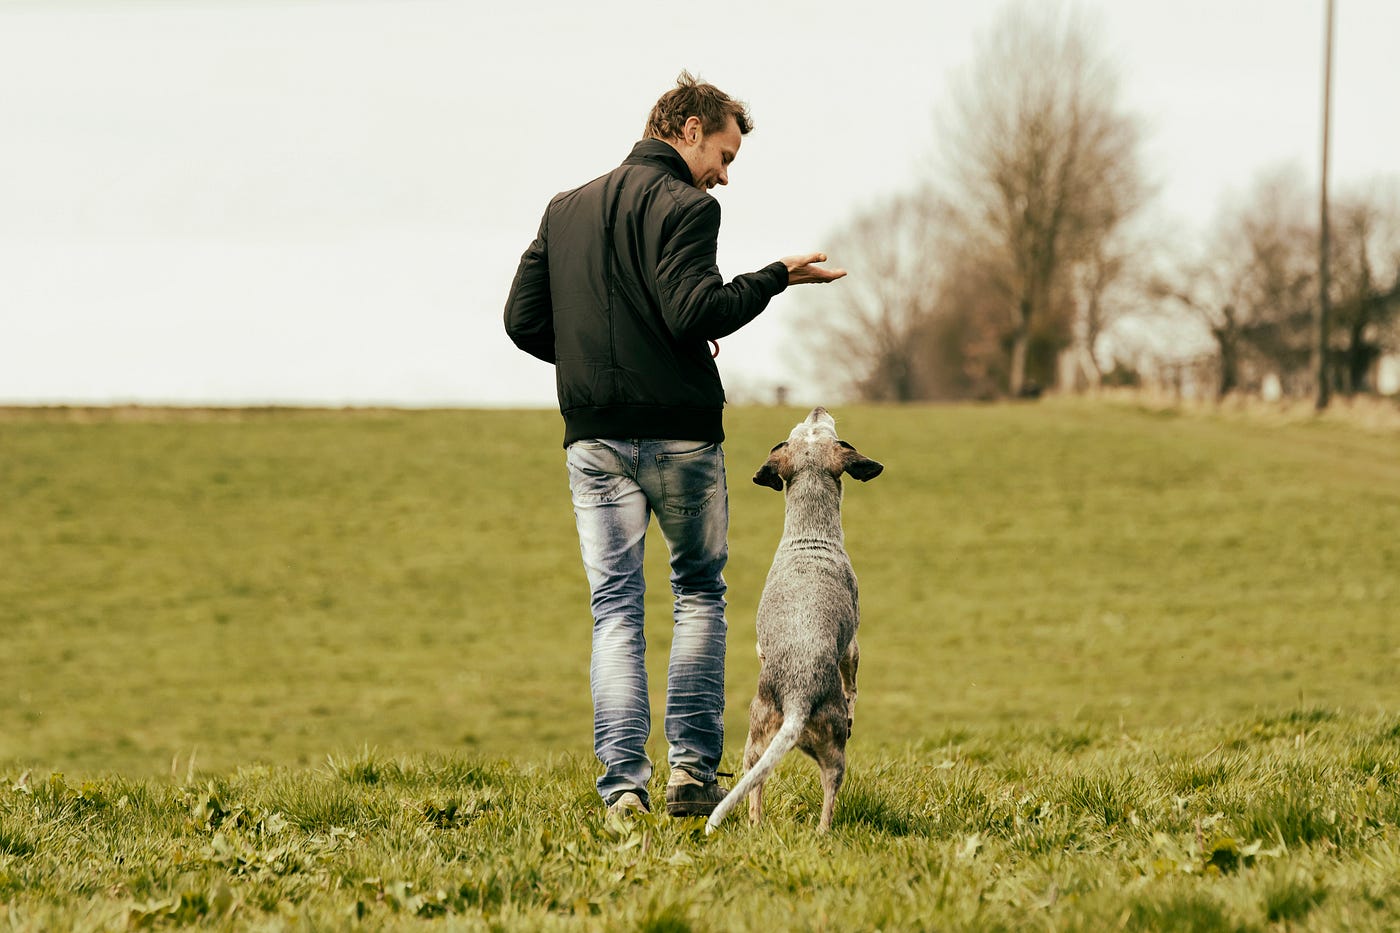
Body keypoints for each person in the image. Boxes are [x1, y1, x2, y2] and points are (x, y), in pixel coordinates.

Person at [503, 71, 845, 818]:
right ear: (687, 128)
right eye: (723, 154)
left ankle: (623, 789)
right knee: (697, 595)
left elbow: (523, 322)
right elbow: (694, 311)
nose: (723, 175)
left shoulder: (564, 210)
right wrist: (774, 278)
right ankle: (692, 776)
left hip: (593, 438)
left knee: (615, 609)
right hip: (683, 437)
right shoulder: (687, 208)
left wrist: (595, 361)